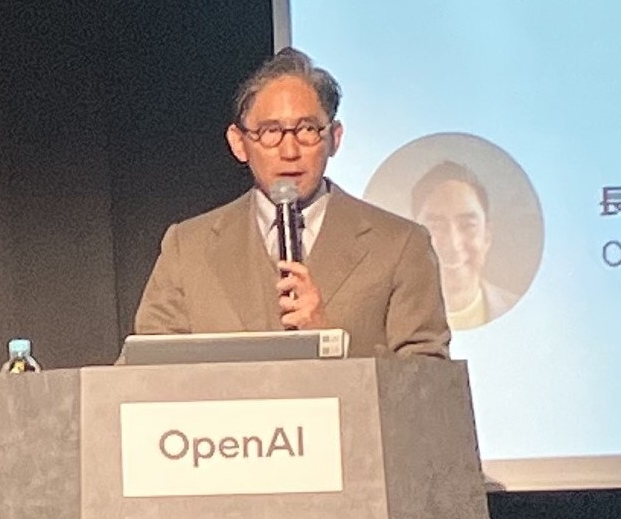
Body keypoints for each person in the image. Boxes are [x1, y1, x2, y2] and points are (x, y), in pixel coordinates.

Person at [126, 47, 450, 359]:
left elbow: (427, 380)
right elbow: (144, 371)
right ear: (239, 143)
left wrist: (331, 343)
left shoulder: (400, 246)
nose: (290, 151)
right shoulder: (188, 248)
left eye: (307, 129)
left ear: (334, 138)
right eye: (270, 132)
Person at [411, 161, 519, 330]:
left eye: (467, 226)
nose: (453, 245)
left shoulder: (523, 313)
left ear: (487, 236)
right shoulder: (384, 314)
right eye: (436, 227)